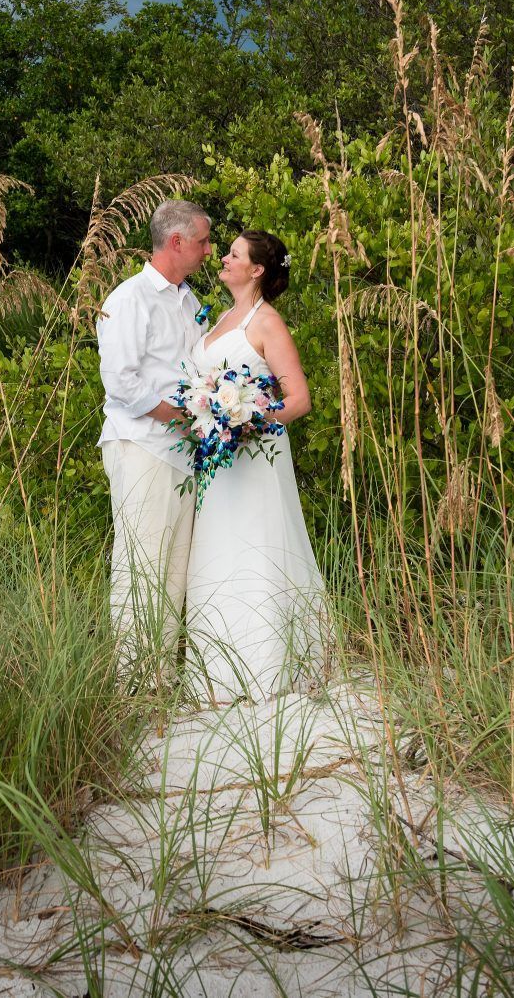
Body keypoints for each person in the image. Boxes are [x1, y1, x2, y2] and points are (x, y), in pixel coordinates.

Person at [184, 229, 326, 702]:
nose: (223, 258)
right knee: (219, 544)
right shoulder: (221, 317)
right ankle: (217, 671)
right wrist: (209, 414)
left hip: (254, 454)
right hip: (218, 459)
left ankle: (269, 667)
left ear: (257, 270)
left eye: (234, 254)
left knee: (257, 543)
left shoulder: (268, 324)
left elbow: (299, 400)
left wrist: (249, 420)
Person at [96, 199, 214, 674]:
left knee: (174, 569)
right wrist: (179, 419)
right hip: (142, 443)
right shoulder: (129, 298)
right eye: (203, 241)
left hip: (183, 453)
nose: (209, 250)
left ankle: (160, 675)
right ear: (176, 241)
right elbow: (119, 381)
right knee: (141, 562)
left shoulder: (189, 301)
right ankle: (134, 682)